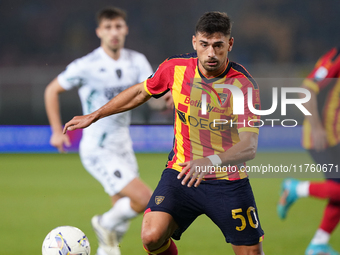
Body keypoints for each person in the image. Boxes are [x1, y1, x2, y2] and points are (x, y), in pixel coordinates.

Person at [63, 11, 265, 255]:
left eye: (218, 45)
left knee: (251, 252)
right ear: (194, 43)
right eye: (204, 45)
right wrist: (95, 115)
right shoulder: (175, 69)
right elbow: (140, 92)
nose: (211, 53)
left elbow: (249, 146)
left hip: (227, 181)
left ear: (229, 44)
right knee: (151, 237)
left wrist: (209, 162)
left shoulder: (243, 85)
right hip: (181, 173)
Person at [44, 7, 154, 255]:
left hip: (124, 145)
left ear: (125, 29)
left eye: (118, 26)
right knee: (145, 199)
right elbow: (52, 90)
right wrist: (55, 131)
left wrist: (165, 101)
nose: (114, 32)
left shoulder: (136, 61)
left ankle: (106, 248)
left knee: (120, 218)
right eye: (108, 27)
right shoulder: (87, 65)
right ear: (99, 32)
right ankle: (102, 224)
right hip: (98, 147)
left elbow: (153, 91)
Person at [278, 47, 340, 255]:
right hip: (322, 137)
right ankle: (296, 188)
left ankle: (318, 244)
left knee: (338, 191)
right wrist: (317, 128)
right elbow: (306, 91)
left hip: (335, 137)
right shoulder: (335, 58)